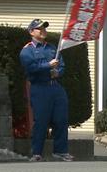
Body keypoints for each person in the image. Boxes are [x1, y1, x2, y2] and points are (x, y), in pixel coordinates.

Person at [19, 19, 73, 162]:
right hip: (40, 87)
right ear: (31, 32)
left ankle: (61, 151)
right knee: (41, 121)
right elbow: (31, 67)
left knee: (61, 119)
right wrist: (48, 65)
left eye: (44, 28)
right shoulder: (27, 50)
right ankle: (37, 152)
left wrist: (58, 72)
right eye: (39, 29)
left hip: (55, 87)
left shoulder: (51, 48)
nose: (43, 31)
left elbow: (61, 65)